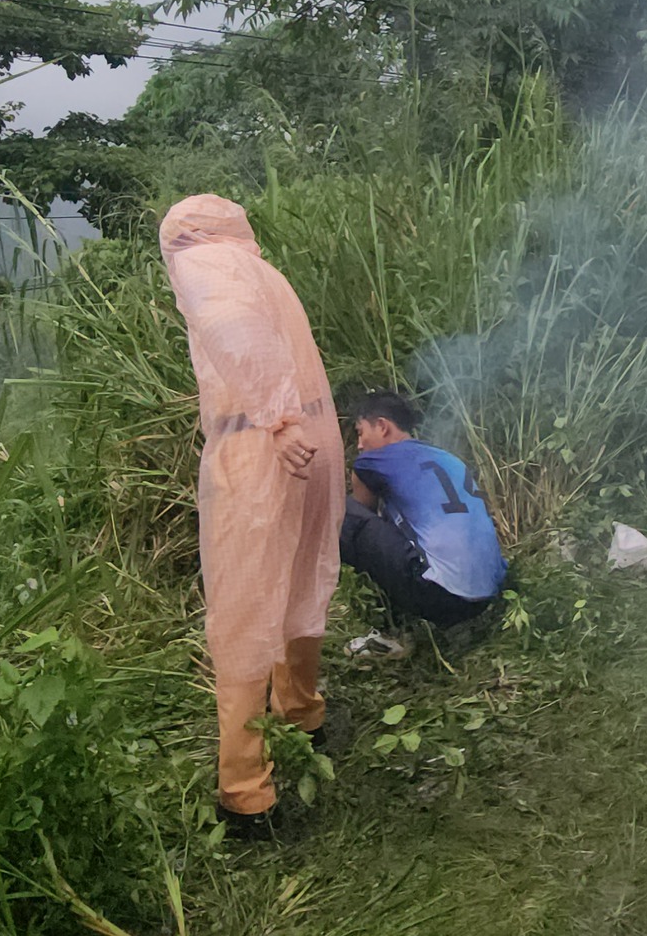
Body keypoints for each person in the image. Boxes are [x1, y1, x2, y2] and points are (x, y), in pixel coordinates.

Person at [159, 194, 343, 824]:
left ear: (185, 235)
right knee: (300, 584)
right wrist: (294, 423)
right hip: (317, 440)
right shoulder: (263, 270)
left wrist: (277, 419)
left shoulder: (205, 264)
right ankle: (303, 714)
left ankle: (246, 792)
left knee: (242, 613)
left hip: (264, 447)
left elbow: (237, 333)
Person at [339, 390, 507, 658]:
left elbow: (363, 515)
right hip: (488, 596)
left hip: (439, 594)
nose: (359, 445)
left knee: (339, 510)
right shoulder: (446, 457)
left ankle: (392, 635)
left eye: (361, 432)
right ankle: (461, 627)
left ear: (382, 426)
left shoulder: (371, 462)